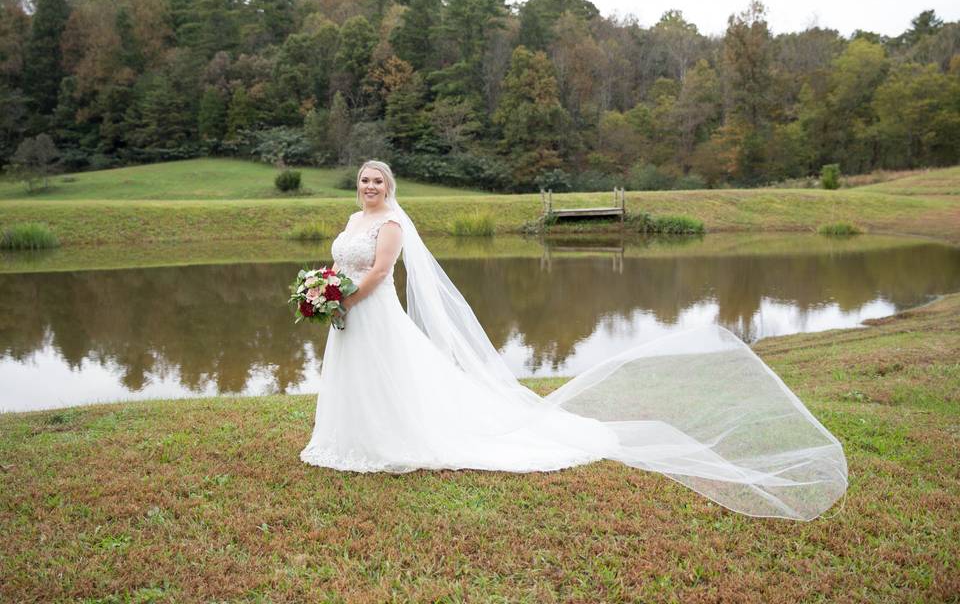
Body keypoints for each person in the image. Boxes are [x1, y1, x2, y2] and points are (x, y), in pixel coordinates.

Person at [300, 160, 848, 521]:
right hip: (346, 313)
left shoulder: (392, 224)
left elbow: (376, 274)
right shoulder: (353, 218)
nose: (370, 188)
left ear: (389, 188)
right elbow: (342, 262)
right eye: (364, 181)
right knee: (356, 374)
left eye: (377, 182)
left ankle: (393, 440)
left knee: (391, 373)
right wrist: (323, 288)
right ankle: (351, 438)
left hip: (373, 310)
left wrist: (342, 298)